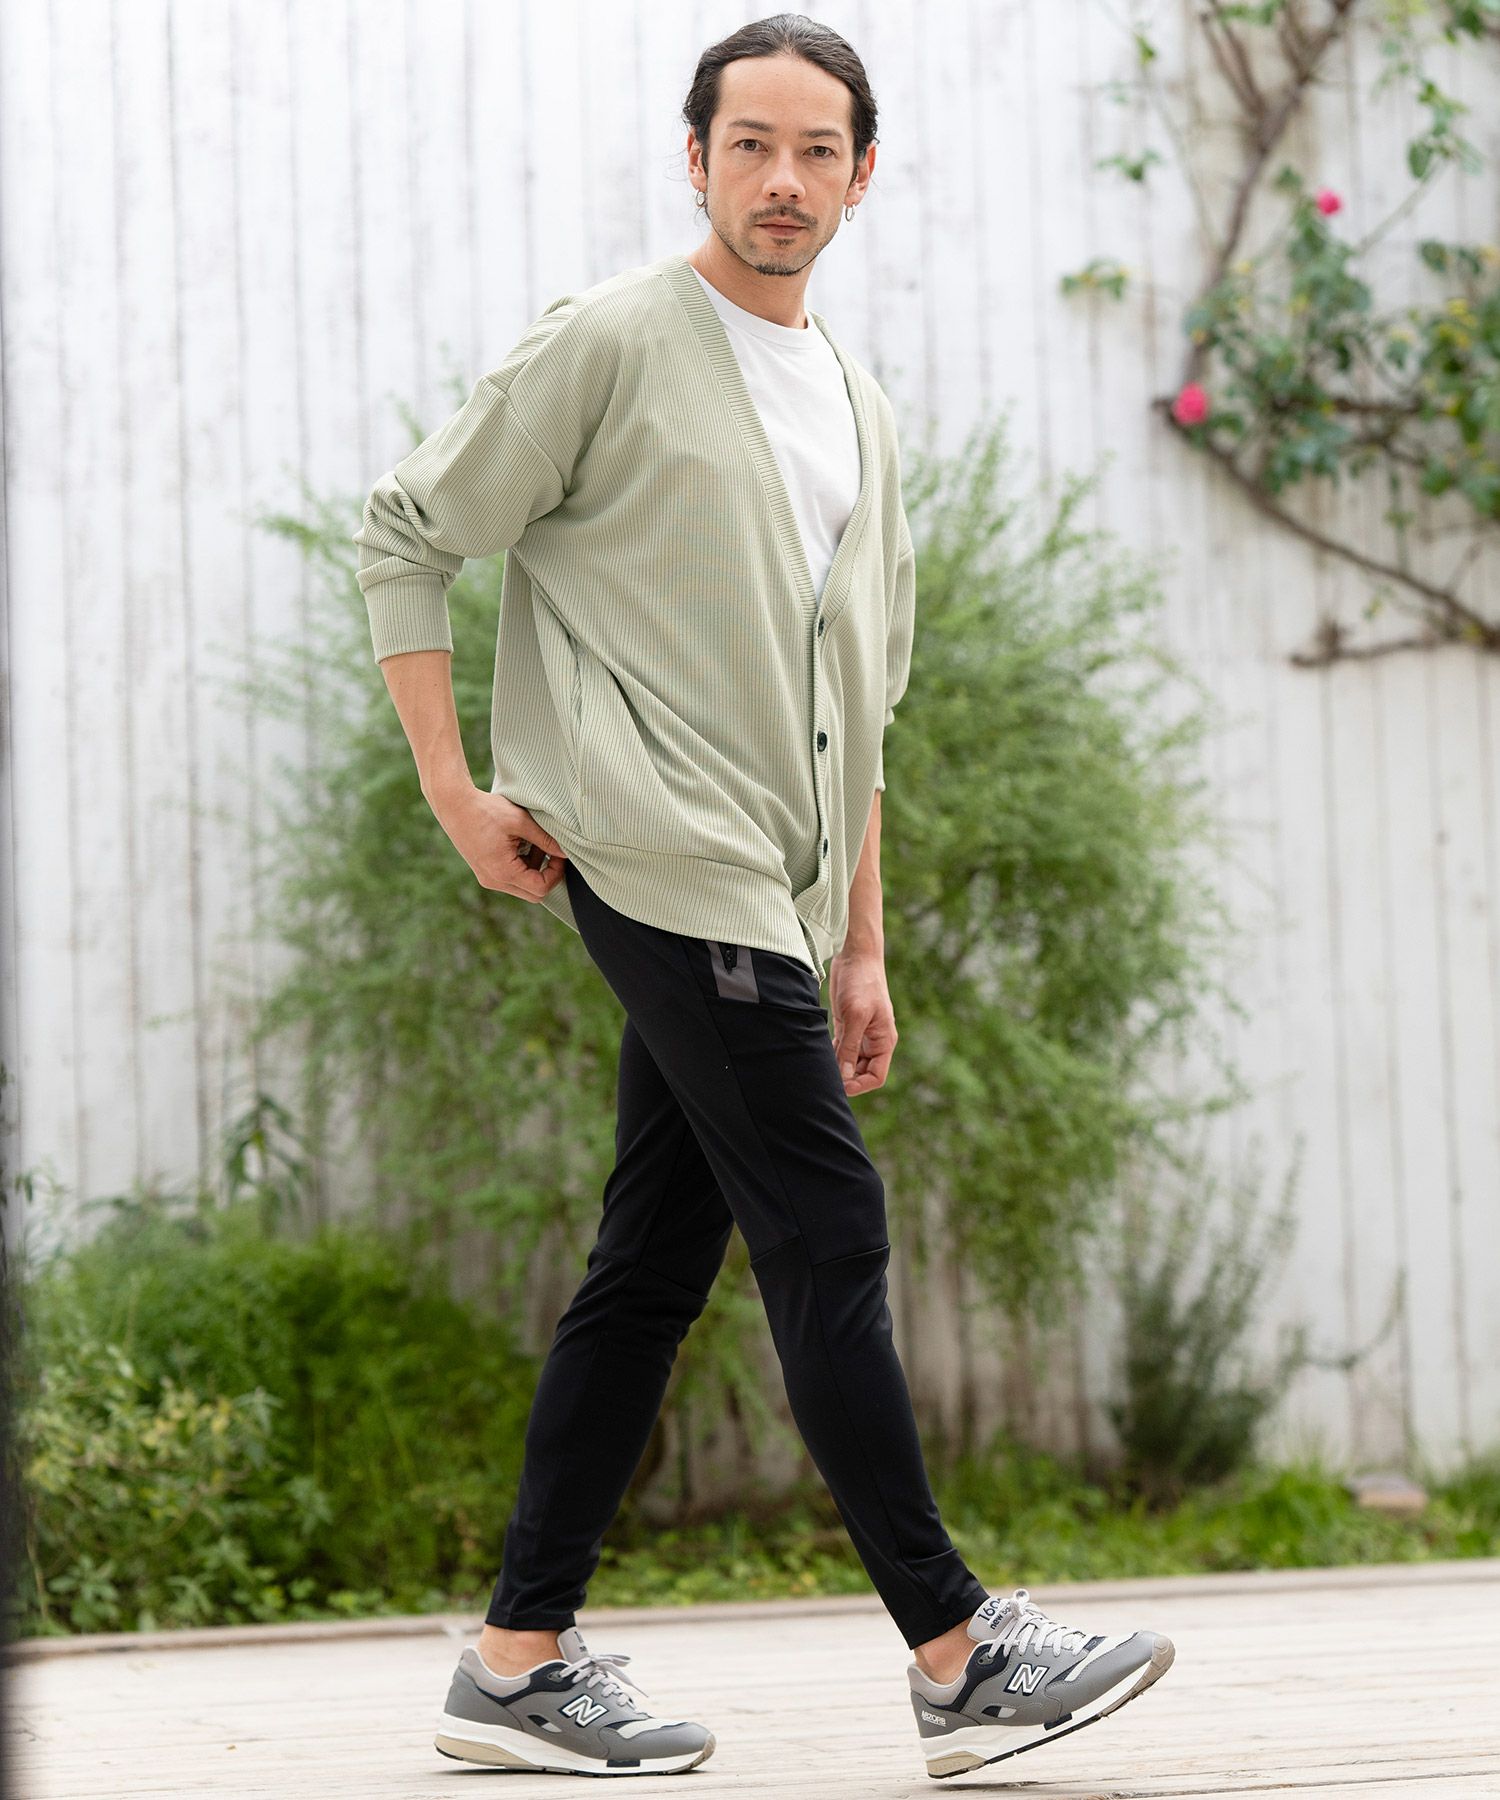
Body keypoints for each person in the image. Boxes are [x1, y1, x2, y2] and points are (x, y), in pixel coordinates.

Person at [353, 12, 1175, 1781]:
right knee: (827, 1225)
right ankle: (957, 1650)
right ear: (697, 159)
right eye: (751, 145)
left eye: (817, 151)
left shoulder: (857, 406)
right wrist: (453, 788)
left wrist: (860, 939)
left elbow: (862, 703)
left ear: (862, 177)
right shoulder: (613, 344)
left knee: (653, 1262)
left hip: (779, 897)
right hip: (658, 850)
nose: (782, 179)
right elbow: (409, 530)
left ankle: (514, 1663)